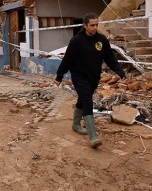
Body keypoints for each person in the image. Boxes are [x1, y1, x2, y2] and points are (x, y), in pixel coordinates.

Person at [54, 13, 126, 148]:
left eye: (96, 25)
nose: (95, 28)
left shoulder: (101, 40)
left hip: (94, 77)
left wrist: (120, 71)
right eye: (92, 25)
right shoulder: (76, 41)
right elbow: (67, 60)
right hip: (79, 77)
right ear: (85, 25)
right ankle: (93, 137)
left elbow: (110, 58)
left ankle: (75, 124)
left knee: (82, 99)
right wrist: (59, 76)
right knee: (87, 101)